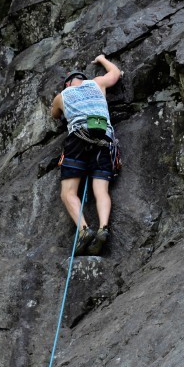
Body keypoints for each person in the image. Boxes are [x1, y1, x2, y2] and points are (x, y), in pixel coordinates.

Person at [50, 54, 121, 256]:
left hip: (78, 140)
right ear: (83, 79)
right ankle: (103, 228)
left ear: (67, 83)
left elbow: (54, 115)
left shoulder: (62, 96)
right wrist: (102, 59)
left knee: (68, 192)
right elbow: (115, 73)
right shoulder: (97, 83)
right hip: (104, 139)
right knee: (101, 190)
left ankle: (84, 230)